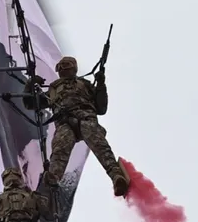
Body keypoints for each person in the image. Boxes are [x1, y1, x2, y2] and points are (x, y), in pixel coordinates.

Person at [28, 57, 130, 197]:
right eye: (61, 66)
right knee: (60, 147)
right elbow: (31, 104)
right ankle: (53, 179)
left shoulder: (84, 84)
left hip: (85, 118)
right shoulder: (53, 90)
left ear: (74, 68)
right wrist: (30, 85)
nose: (64, 68)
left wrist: (100, 84)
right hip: (65, 122)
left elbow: (101, 108)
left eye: (67, 65)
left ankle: (116, 176)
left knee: (99, 144)